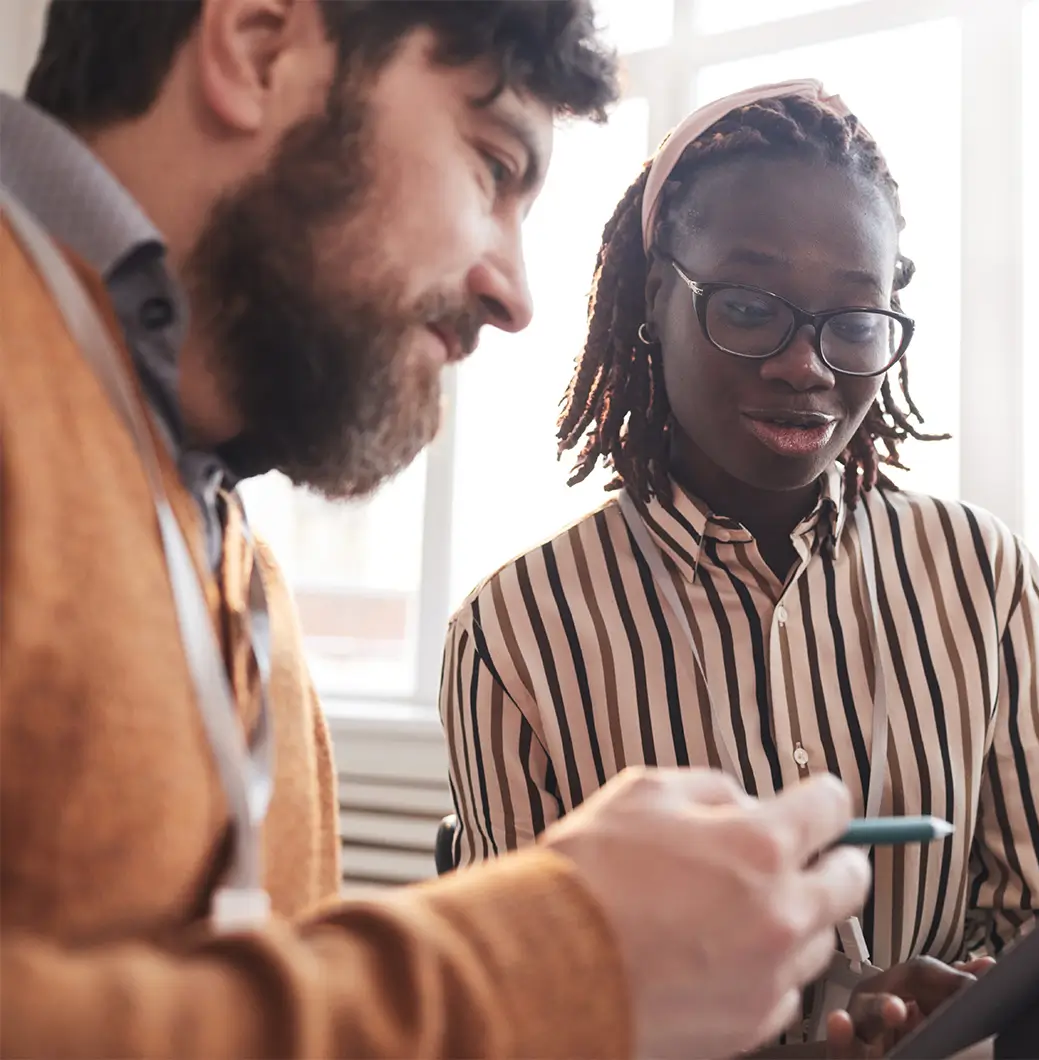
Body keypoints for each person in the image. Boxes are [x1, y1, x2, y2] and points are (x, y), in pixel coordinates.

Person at [0, 4, 875, 1057]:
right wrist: (554, 965)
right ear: (260, 45)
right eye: (492, 164)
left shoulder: (240, 574)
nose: (513, 294)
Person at [439, 80, 1039, 1055]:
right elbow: (526, 1018)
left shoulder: (985, 578)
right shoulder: (516, 635)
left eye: (854, 319)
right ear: (654, 301)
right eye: (749, 308)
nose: (806, 365)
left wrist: (962, 1011)